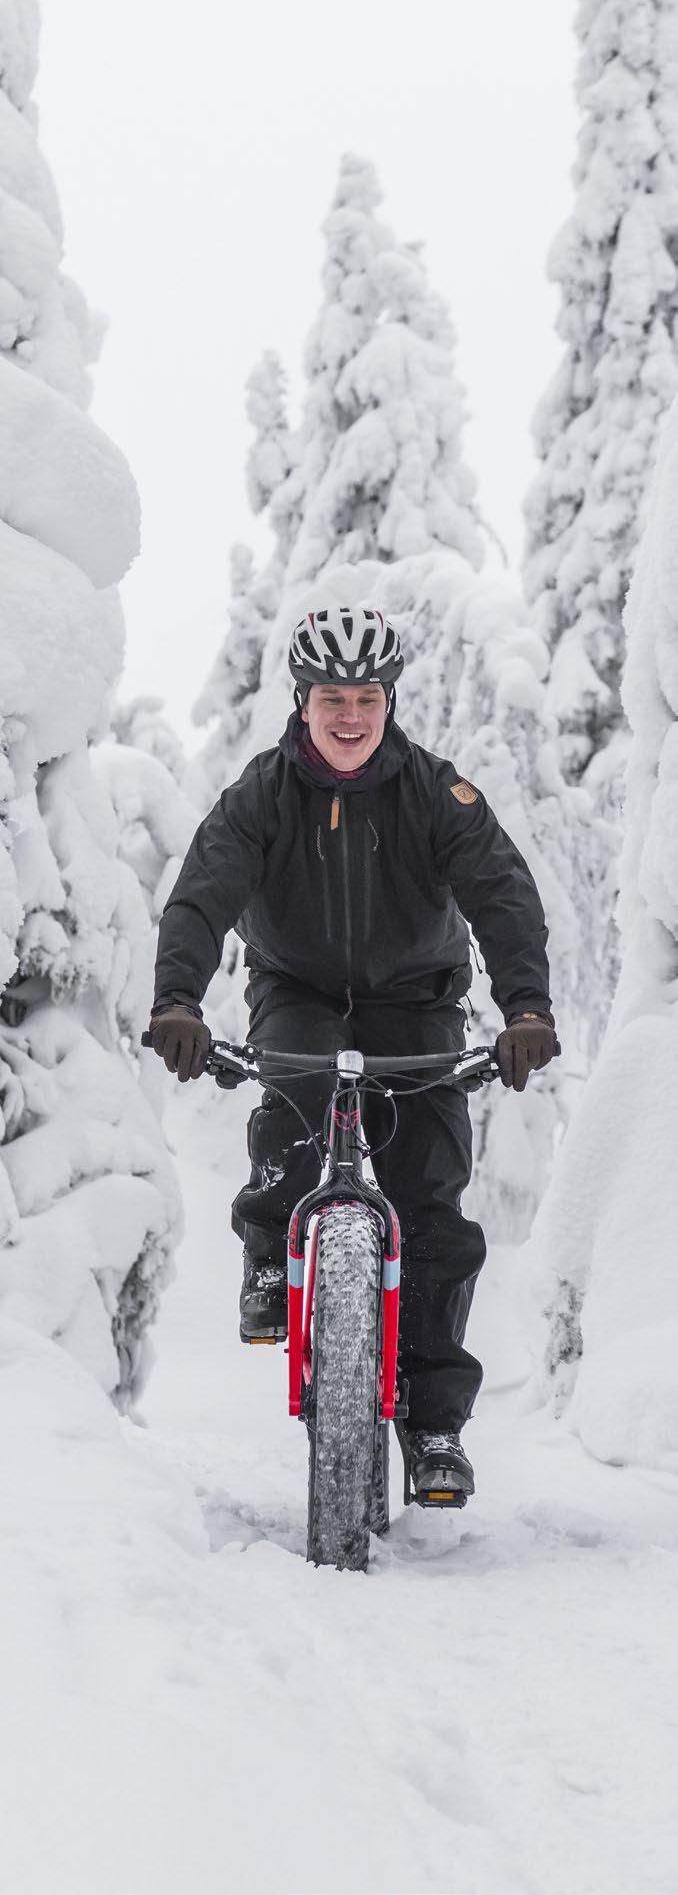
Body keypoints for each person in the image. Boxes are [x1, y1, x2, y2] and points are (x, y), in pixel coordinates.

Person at [150, 597, 557, 1504]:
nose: (349, 715)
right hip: (296, 987)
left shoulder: (435, 792)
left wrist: (525, 1006)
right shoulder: (262, 793)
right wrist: (177, 997)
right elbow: (203, 892)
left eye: (366, 697)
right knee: (292, 1089)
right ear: (303, 701)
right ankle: (269, 1246)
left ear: (388, 702)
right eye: (332, 695)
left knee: (431, 1198)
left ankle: (436, 1423)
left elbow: (501, 891)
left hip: (415, 999)